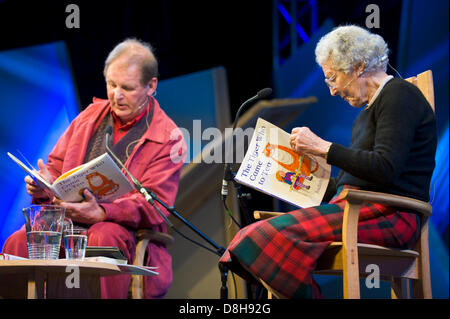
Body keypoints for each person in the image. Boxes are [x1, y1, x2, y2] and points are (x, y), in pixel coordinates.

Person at [219, 25, 437, 298]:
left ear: (358, 67)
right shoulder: (365, 115)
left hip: (390, 215)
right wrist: (283, 179)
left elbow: (385, 168)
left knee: (262, 239)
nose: (333, 91)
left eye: (333, 78)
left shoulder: (399, 95)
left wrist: (323, 148)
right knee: (251, 238)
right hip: (360, 208)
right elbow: (357, 178)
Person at [2, 38, 186, 299]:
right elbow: (54, 167)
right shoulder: (89, 115)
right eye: (111, 84)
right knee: (19, 241)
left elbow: (155, 206)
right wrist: (43, 182)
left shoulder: (168, 138)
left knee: (102, 236)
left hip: (119, 231)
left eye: (127, 87)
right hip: (67, 222)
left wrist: (101, 211)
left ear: (151, 86)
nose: (116, 95)